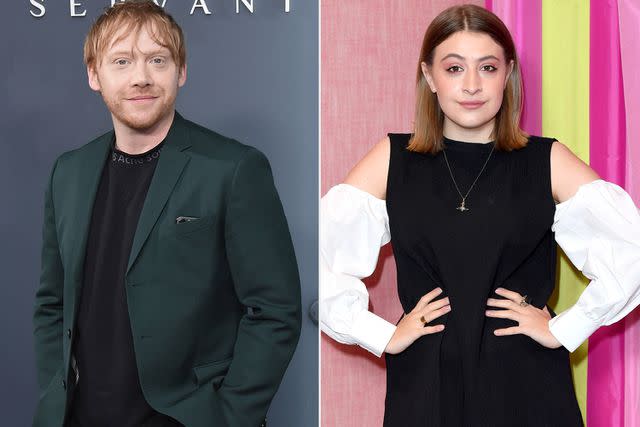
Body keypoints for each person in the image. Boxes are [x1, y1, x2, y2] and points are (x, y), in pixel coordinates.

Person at [320, 4, 640, 426]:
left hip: (526, 380)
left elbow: (631, 252)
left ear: (507, 74)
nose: (472, 84)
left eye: (487, 67)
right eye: (454, 69)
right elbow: (320, 261)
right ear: (429, 77)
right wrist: (381, 335)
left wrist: (563, 329)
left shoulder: (546, 160)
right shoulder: (392, 159)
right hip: (427, 382)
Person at [32, 2, 302, 426]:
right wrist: (55, 392)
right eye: (121, 61)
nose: (141, 76)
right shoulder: (68, 172)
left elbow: (275, 310)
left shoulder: (233, 168)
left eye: (157, 60)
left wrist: (228, 417)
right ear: (93, 75)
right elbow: (52, 302)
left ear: (181, 71)